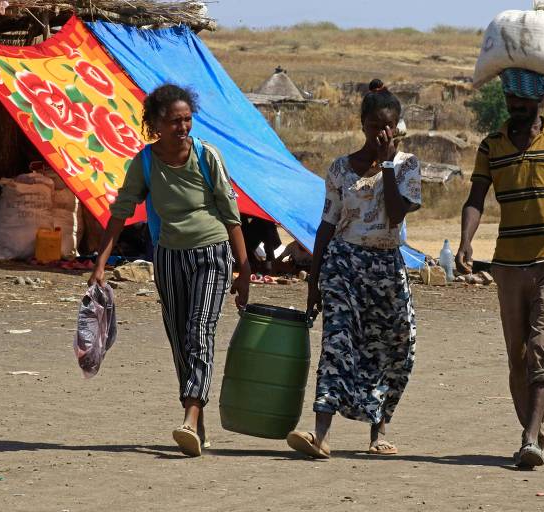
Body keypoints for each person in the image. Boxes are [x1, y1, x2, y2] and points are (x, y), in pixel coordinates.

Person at [88, 84, 250, 457]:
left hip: (212, 253)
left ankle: (190, 416)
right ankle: (197, 414)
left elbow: (230, 213)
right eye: (175, 121)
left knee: (200, 330)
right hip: (170, 258)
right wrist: (100, 262)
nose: (183, 127)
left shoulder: (207, 156)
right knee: (180, 340)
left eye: (187, 120)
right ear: (155, 123)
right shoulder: (145, 163)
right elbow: (121, 212)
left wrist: (243, 269)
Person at [456, 68, 544, 468]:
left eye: (524, 102)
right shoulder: (492, 146)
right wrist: (466, 240)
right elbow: (476, 198)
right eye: (511, 101)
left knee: (542, 346)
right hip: (509, 266)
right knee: (517, 358)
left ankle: (530, 437)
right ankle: (539, 426)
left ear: (540, 101)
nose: (516, 108)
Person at [286, 79, 420, 459]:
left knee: (397, 345)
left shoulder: (408, 167)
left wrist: (390, 165)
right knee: (338, 343)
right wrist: (314, 282)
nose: (384, 132)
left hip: (387, 268)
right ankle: (320, 433)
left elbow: (395, 215)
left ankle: (379, 432)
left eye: (390, 126)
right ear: (362, 124)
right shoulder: (340, 169)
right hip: (344, 264)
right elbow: (327, 224)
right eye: (377, 125)